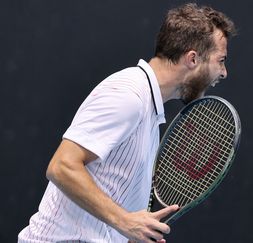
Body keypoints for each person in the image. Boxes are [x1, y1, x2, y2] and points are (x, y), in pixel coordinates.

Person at [18, 3, 236, 243]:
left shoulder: (149, 111)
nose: (224, 73)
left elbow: (111, 207)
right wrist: (124, 221)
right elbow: (61, 166)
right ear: (192, 58)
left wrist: (132, 233)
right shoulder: (128, 95)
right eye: (221, 60)